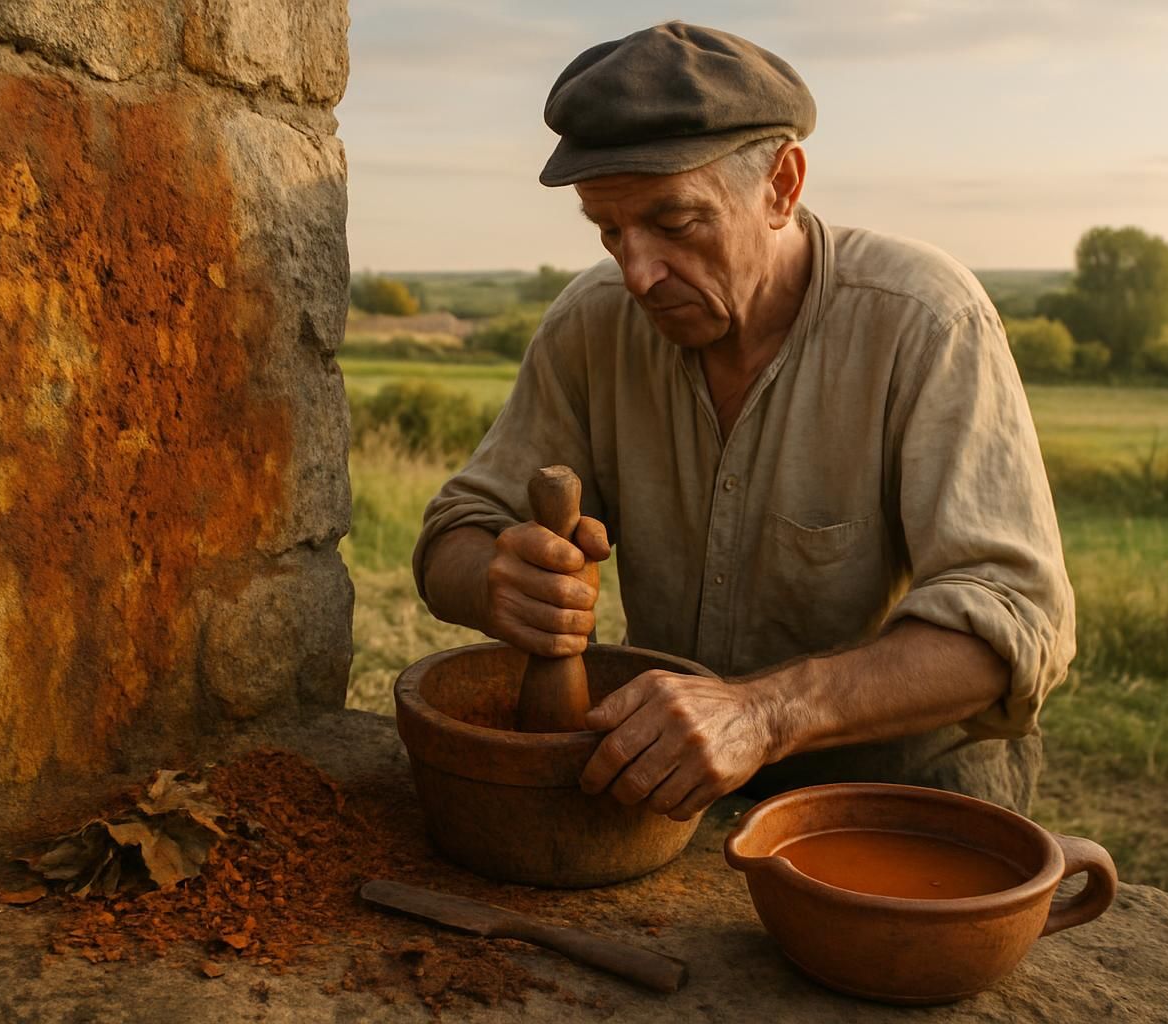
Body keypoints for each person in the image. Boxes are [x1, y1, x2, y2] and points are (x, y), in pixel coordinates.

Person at [411, 22, 1076, 818]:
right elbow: (458, 529)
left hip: (898, 805)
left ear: (781, 186)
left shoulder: (926, 320)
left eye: (675, 222)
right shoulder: (591, 323)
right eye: (609, 230)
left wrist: (765, 712)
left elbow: (1015, 620)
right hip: (670, 801)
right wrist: (496, 582)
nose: (639, 274)